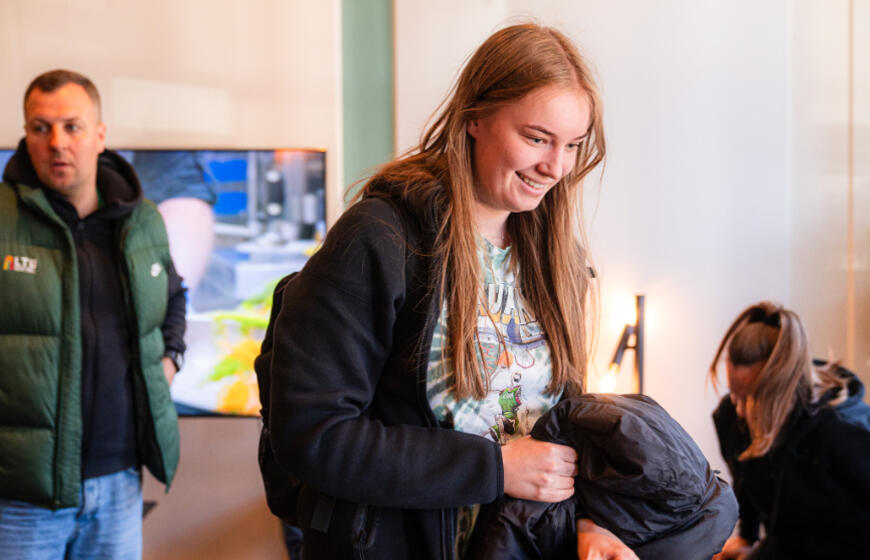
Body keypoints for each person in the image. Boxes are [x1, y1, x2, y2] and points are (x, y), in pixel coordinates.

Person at [262, 23, 638, 559]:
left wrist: (592, 522)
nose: (556, 167)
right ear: (474, 118)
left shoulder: (557, 258)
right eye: (536, 138)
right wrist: (494, 468)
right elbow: (313, 435)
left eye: (572, 145)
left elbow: (562, 425)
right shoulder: (379, 239)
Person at [0, 69, 186, 559]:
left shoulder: (141, 220)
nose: (57, 143)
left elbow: (174, 296)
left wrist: (170, 360)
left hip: (118, 483)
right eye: (41, 128)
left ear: (99, 135)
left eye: (72, 126)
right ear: (26, 135)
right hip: (18, 496)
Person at [709, 301, 870, 559]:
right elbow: (747, 481)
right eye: (735, 394)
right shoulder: (730, 418)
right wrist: (747, 537)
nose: (739, 410)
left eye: (751, 397)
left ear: (783, 388)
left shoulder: (843, 435)